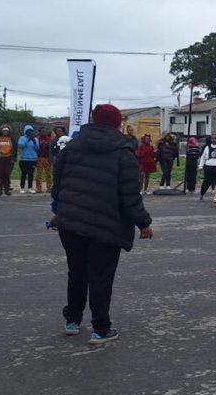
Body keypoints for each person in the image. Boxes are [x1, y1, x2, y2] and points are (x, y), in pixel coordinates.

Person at [52, 103, 153, 345]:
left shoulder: (72, 146)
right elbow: (130, 195)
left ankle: (72, 321)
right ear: (117, 124)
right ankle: (101, 328)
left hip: (71, 223)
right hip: (105, 225)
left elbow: (59, 183)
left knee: (77, 272)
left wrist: (59, 210)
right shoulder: (123, 152)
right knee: (100, 276)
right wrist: (144, 223)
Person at [0, 125, 16, 196]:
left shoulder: (11, 139)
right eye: (4, 131)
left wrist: (14, 158)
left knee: (7, 174)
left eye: (7, 131)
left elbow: (15, 149)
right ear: (1, 131)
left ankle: (7, 189)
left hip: (8, 158)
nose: (5, 132)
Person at [17, 124, 40, 194]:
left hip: (32, 160)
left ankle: (30, 188)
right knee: (24, 174)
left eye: (31, 131)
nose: (30, 132)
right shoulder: (22, 138)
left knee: (31, 174)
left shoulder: (35, 138)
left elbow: (37, 148)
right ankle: (22, 188)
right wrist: (27, 140)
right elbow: (20, 146)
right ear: (25, 131)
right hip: (24, 159)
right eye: (28, 131)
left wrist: (34, 141)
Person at [199, 135, 216, 200]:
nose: (214, 140)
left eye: (215, 138)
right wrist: (200, 166)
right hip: (208, 167)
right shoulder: (207, 147)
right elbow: (203, 157)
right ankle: (202, 193)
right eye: (212, 138)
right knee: (206, 181)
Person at [35, 127, 54, 193]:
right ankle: (39, 188)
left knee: (48, 173)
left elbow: (51, 148)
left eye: (45, 131)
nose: (44, 132)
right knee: (39, 173)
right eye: (42, 131)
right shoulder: (37, 139)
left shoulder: (49, 139)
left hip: (47, 158)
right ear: (40, 132)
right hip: (39, 158)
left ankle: (49, 187)